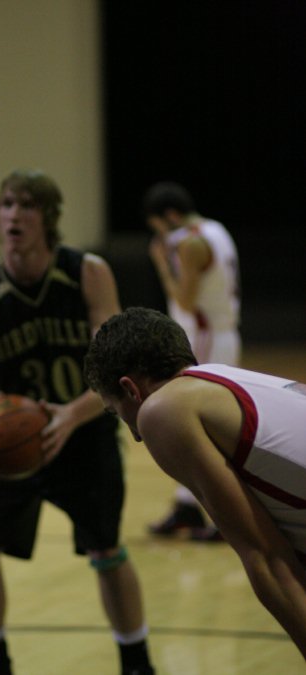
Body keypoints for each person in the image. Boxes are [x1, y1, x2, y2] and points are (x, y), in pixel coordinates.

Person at [0, 169, 156, 675]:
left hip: (84, 432)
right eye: (6, 205)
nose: (14, 214)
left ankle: (136, 661)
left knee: (107, 549)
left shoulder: (87, 273)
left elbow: (114, 367)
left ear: (48, 217)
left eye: (26, 205)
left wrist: (69, 415)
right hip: (16, 443)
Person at [84, 306, 306, 659]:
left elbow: (266, 557)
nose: (135, 435)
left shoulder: (162, 411)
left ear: (130, 388)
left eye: (118, 413)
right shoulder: (222, 378)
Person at [143, 181, 241, 541]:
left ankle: (222, 517)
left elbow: (184, 301)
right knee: (200, 427)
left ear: (170, 216)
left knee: (197, 428)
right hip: (221, 334)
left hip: (204, 337)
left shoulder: (190, 243)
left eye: (158, 228)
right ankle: (188, 506)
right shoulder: (216, 229)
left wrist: (161, 265)